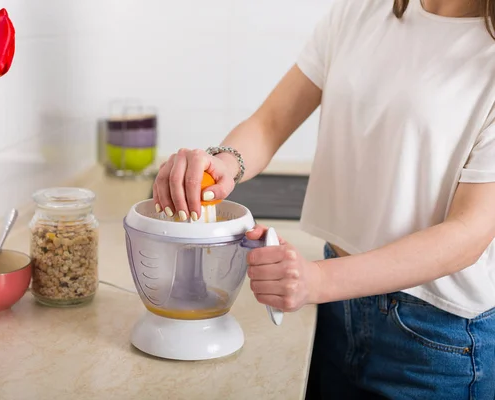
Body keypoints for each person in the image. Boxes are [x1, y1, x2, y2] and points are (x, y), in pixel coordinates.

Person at [152, 0, 495, 398]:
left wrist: (316, 280)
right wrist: (224, 162)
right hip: (336, 311)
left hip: (436, 338)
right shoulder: (361, 12)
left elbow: (469, 234)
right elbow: (271, 121)